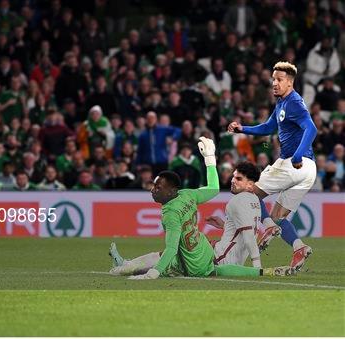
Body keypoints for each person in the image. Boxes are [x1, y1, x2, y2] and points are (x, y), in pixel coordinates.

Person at [108, 137, 294, 279]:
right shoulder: (187, 194)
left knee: (164, 257)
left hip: (194, 262)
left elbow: (172, 249)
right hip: (203, 250)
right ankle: (125, 264)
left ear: (172, 191)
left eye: (158, 187)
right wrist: (210, 159)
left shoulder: (171, 213)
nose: (153, 190)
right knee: (165, 256)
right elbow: (213, 188)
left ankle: (123, 267)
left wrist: (152, 275)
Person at [228, 61, 317, 271]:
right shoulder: (282, 104)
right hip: (308, 171)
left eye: (279, 80)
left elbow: (311, 129)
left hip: (294, 163)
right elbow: (268, 127)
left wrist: (296, 156)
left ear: (290, 82)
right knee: (278, 217)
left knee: (249, 191)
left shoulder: (294, 102)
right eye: (273, 79)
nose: (274, 83)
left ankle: (266, 228)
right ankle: (299, 248)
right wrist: (243, 129)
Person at [205, 161, 264, 267]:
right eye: (234, 176)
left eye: (239, 179)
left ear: (250, 185)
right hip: (234, 260)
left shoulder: (238, 200)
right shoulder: (255, 199)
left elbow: (248, 235)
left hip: (220, 259)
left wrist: (257, 266)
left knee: (189, 244)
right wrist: (225, 225)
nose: (233, 181)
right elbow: (244, 230)